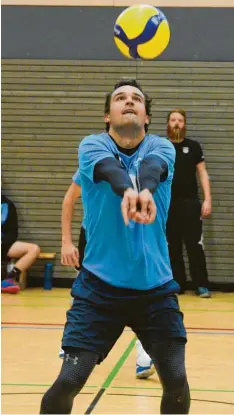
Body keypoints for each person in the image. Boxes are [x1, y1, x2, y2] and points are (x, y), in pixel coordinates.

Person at [40, 79, 190, 414]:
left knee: (176, 380)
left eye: (136, 98)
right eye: (120, 98)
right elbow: (109, 171)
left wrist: (146, 191)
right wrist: (128, 192)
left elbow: (154, 170)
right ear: (108, 115)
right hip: (98, 290)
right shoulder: (91, 146)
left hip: (155, 287)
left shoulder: (162, 147)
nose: (128, 102)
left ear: (147, 117)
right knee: (69, 380)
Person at [60, 170, 155, 379]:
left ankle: (145, 354)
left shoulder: (145, 162)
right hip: (96, 237)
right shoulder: (95, 160)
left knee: (142, 290)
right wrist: (66, 242)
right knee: (85, 286)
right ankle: (72, 341)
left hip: (133, 235)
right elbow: (69, 198)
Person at [166, 109, 212, 298]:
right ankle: (178, 283)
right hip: (168, 204)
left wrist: (207, 199)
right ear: (168, 123)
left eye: (180, 120)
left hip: (191, 203)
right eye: (173, 120)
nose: (177, 123)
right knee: (172, 246)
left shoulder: (193, 147)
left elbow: (202, 173)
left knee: (195, 245)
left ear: (184, 124)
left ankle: (201, 284)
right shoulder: (161, 147)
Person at [1, 192, 40, 294]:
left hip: (3, 244)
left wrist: (3, 243)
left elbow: (13, 232)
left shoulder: (8, 205)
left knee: (34, 249)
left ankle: (9, 279)